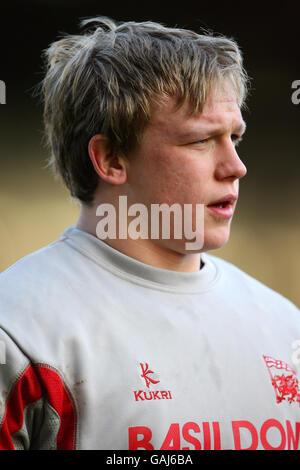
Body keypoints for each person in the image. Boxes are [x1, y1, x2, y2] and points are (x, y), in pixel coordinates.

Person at [0, 17, 299, 451]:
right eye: (200, 141)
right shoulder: (19, 332)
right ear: (110, 159)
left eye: (235, 137)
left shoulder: (283, 324)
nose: (236, 166)